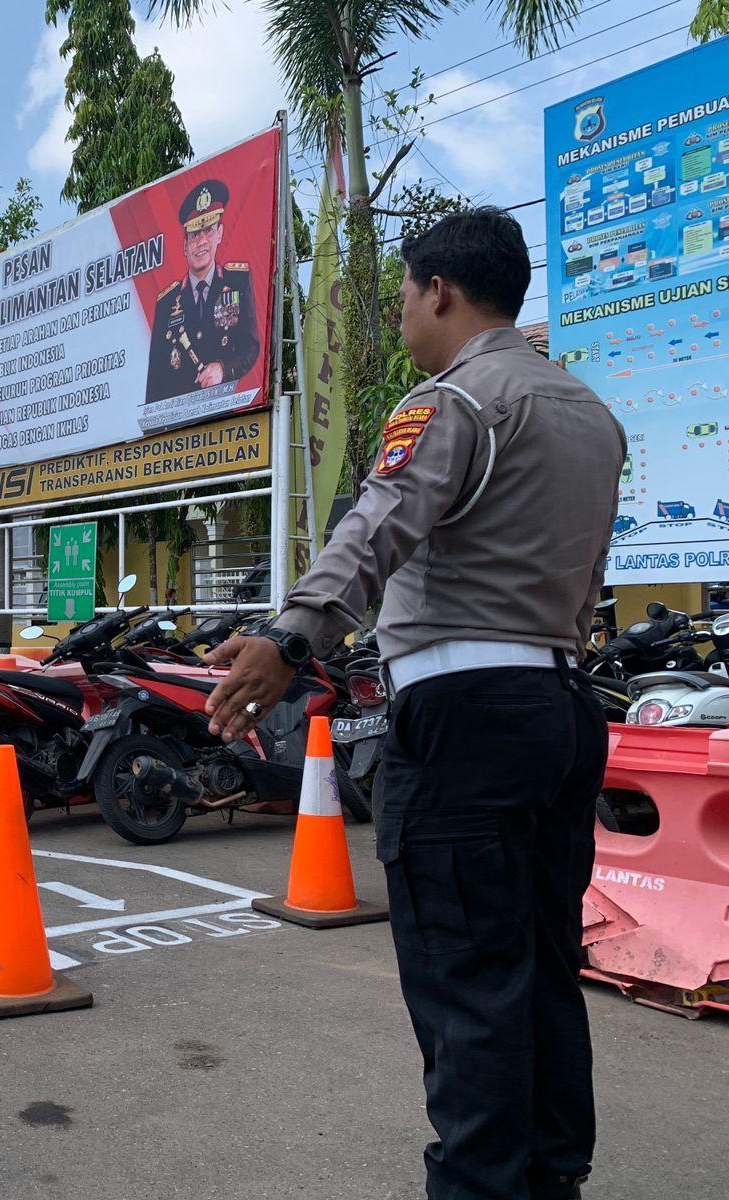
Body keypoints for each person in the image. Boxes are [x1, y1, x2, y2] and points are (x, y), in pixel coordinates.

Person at [203, 207, 624, 1200]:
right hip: (564, 710)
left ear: (438, 290)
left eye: (400, 297)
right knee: (541, 966)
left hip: (465, 718)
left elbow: (378, 526)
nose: (399, 316)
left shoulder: (453, 402)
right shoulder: (590, 416)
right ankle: (549, 1179)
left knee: (468, 980)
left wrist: (287, 635)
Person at [144, 178, 260, 405]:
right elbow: (155, 380)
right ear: (184, 245)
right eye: (195, 234)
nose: (202, 242)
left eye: (208, 230)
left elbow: (251, 347)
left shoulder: (237, 281)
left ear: (220, 233)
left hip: (226, 414)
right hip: (179, 426)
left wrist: (224, 370)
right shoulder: (167, 302)